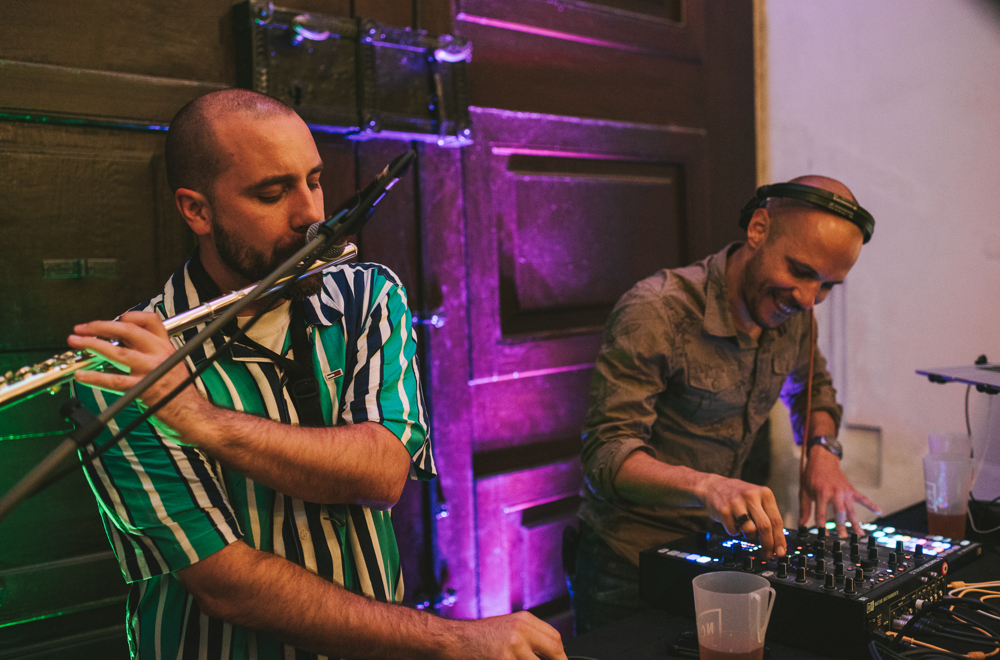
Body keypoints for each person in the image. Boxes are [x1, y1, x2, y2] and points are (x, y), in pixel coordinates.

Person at [69, 89, 566, 660]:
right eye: (272, 192)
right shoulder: (124, 368)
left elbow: (381, 474)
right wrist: (455, 642)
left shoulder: (366, 295)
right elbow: (227, 586)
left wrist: (202, 421)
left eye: (314, 181)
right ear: (196, 210)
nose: (310, 215)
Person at [571, 176, 882, 634]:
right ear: (758, 229)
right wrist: (708, 487)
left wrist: (822, 449)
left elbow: (814, 390)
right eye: (799, 271)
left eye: (827, 285)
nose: (808, 298)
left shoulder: (796, 315)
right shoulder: (657, 310)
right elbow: (606, 455)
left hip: (718, 553)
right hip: (628, 564)